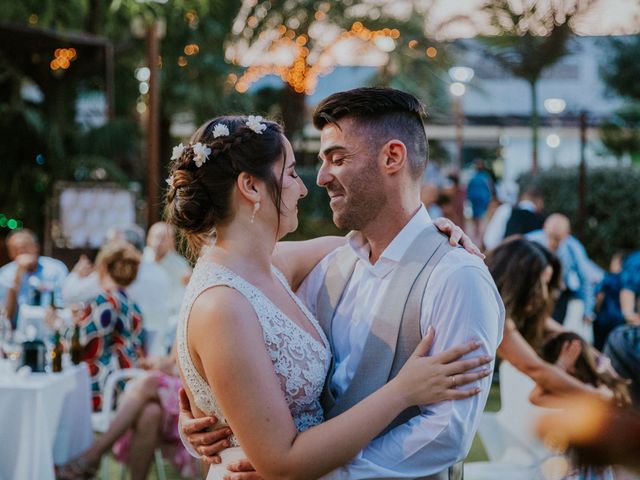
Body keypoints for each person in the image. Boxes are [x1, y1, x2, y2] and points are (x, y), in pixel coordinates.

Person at [176, 88, 503, 480]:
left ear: (392, 157)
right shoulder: (323, 268)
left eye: (338, 159)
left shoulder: (454, 276)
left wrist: (320, 474)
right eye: (303, 168)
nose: (320, 178)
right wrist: (207, 415)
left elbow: (446, 434)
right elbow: (220, 335)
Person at [486, 237, 615, 403]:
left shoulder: (506, 311)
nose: (544, 294)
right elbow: (535, 368)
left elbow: (563, 331)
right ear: (519, 281)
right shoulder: (497, 316)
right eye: (540, 284)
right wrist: (598, 397)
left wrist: (602, 362)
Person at [55, 347, 198, 480]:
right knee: (150, 413)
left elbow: (182, 365)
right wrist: (158, 362)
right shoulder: (185, 322)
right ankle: (94, 457)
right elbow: (173, 359)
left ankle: (94, 453)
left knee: (150, 381)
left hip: (191, 393)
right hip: (170, 395)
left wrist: (162, 365)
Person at [62, 224, 171, 353]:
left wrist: (58, 325)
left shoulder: (105, 302)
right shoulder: (134, 301)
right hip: (148, 355)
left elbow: (78, 346)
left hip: (109, 369)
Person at [75, 240, 144, 410]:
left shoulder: (104, 301)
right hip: (127, 379)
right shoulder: (133, 304)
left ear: (103, 267)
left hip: (104, 384)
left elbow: (83, 345)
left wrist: (60, 325)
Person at [527, 214, 603, 332]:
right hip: (532, 291)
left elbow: (585, 278)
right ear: (544, 228)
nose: (552, 242)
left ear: (567, 234)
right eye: (550, 236)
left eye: (557, 239)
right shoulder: (530, 241)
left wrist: (588, 310)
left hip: (557, 296)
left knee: (551, 332)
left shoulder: (574, 249)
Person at [0, 228, 68, 327]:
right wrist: (17, 277)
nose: (21, 252)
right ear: (10, 253)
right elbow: (5, 316)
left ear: (36, 247)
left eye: (25, 247)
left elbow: (65, 303)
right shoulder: (4, 274)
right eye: (16, 249)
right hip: (17, 333)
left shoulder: (56, 268)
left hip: (51, 328)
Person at [143, 221, 192, 315]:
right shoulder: (141, 261)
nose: (158, 242)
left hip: (171, 316)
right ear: (148, 239)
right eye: (156, 237)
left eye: (163, 238)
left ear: (172, 242)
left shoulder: (180, 265)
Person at [593, 251, 626, 350]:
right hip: (620, 320)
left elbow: (599, 297)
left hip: (604, 318)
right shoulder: (629, 281)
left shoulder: (608, 279)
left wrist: (595, 311)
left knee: (599, 347)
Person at [466, 159, 494, 242]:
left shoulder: (485, 176)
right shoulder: (473, 176)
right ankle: (477, 233)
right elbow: (469, 188)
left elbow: (489, 187)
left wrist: (489, 197)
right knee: (475, 217)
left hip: (483, 200)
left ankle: (482, 235)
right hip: (475, 199)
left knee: (482, 217)